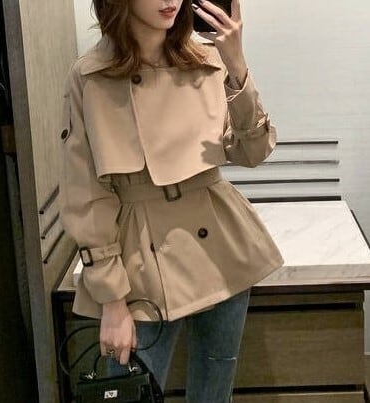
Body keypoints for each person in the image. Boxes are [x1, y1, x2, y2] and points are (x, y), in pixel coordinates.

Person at [59, 0, 284, 401]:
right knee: (131, 392)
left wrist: (237, 63)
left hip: (220, 249)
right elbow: (86, 194)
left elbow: (253, 152)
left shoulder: (208, 60)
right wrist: (112, 300)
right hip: (139, 265)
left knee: (214, 390)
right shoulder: (91, 76)